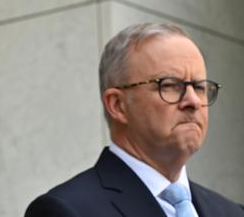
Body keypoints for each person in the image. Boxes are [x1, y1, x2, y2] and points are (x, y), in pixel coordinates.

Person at [25, 23, 244, 216]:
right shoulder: (66, 210)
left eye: (199, 87)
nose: (193, 101)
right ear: (118, 105)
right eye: (169, 85)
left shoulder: (231, 212)